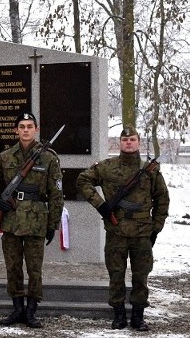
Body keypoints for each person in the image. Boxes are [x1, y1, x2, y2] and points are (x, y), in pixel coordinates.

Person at [76, 126, 169, 331]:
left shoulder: (150, 171)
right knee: (116, 274)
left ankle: (138, 316)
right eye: (125, 139)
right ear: (120, 143)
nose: (129, 142)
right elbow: (82, 180)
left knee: (140, 275)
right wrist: (100, 205)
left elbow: (162, 198)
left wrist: (157, 226)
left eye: (132, 139)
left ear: (139, 142)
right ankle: (118, 314)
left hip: (142, 232)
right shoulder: (107, 167)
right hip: (116, 230)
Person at [0, 112, 64, 328]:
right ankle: (17, 309)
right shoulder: (6, 157)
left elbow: (56, 194)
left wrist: (53, 224)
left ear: (36, 129)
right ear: (16, 130)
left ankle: (32, 311)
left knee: (35, 269)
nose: (25, 130)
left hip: (36, 221)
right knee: (13, 267)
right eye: (22, 126)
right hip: (11, 220)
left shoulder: (48, 157)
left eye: (29, 126)